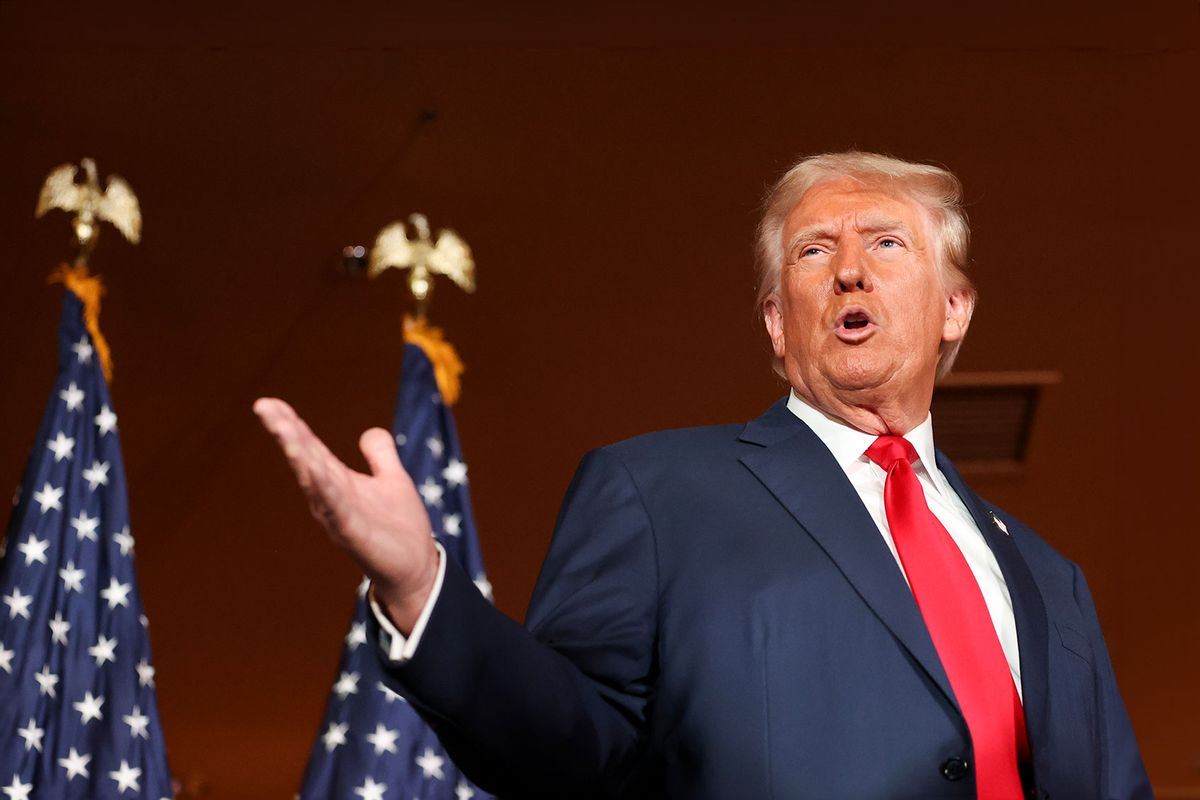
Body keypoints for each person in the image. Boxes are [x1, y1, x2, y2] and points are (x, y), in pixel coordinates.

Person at [255, 152, 1152, 799]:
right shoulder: (656, 494)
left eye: (886, 244)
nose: (848, 270)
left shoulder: (1048, 578)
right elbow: (574, 747)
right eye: (812, 252)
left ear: (954, 308)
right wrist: (422, 592)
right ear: (775, 321)